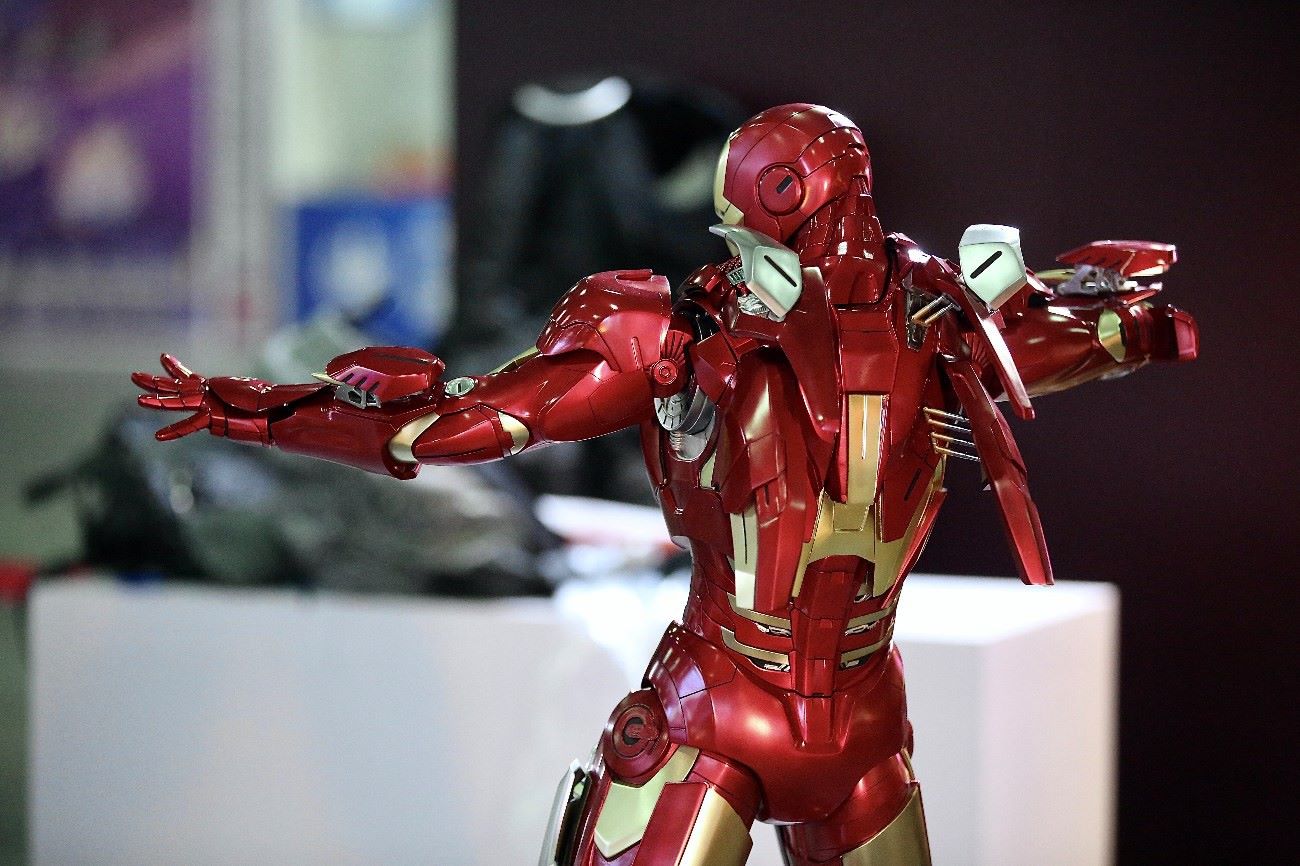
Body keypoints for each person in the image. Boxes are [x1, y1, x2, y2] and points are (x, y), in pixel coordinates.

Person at [135, 104, 1197, 865]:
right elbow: (452, 424)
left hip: (864, 721)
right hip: (716, 707)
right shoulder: (679, 334)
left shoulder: (943, 322)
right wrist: (258, 410)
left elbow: (1099, 328)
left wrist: (1138, 318)